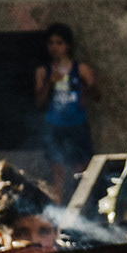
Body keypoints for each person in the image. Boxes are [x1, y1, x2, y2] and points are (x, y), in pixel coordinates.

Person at [33, 22, 99, 204]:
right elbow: (39, 102)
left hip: (77, 125)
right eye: (51, 43)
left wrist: (90, 84)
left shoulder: (81, 69)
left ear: (68, 45)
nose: (55, 48)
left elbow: (97, 96)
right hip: (55, 127)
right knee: (58, 175)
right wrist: (50, 83)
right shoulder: (43, 72)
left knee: (83, 173)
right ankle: (58, 219)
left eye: (59, 43)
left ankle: (86, 212)